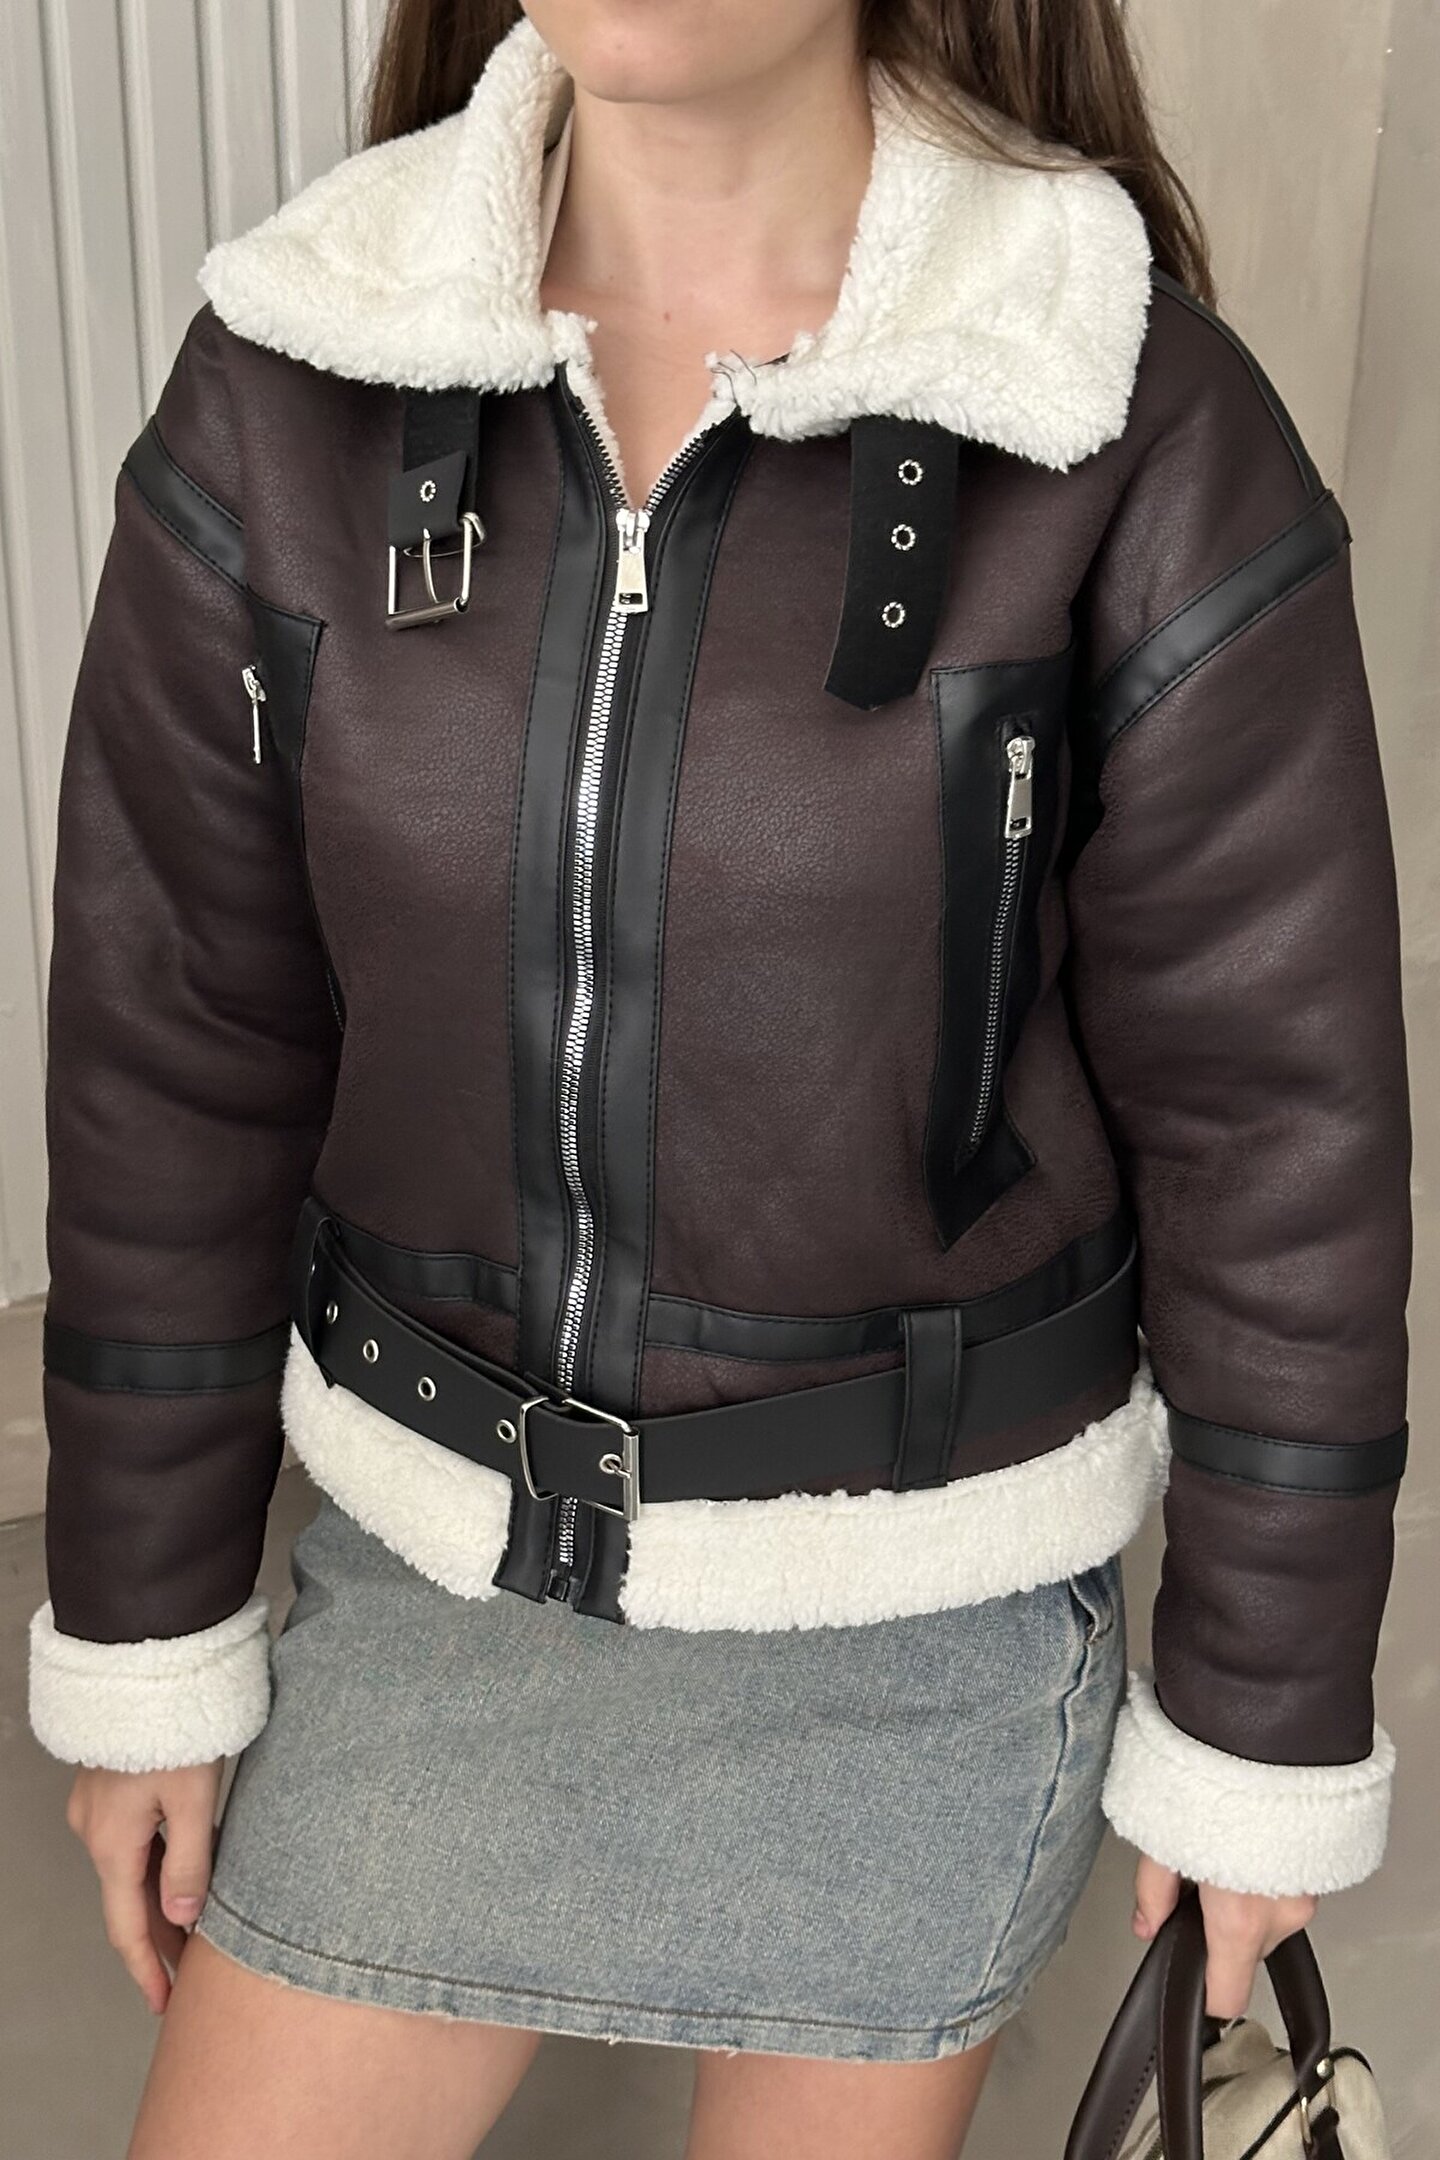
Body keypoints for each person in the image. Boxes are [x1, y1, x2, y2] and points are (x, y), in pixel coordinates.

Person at [29, 3, 1412, 2156]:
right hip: (437, 1575)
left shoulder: (1120, 409)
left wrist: (1259, 1724)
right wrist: (148, 1638)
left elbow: (1278, 1129)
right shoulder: (298, 363)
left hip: (916, 1617)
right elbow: (177, 1052)